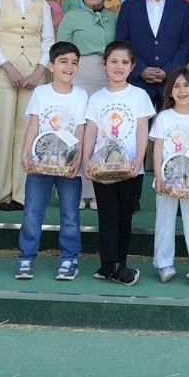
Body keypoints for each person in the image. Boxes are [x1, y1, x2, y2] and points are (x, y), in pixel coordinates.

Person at [115, 0, 189, 209]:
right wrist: (140, 69)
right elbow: (122, 42)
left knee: (176, 136)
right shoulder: (130, 7)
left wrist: (169, 71)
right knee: (134, 139)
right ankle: (132, 196)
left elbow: (187, 43)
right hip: (140, 83)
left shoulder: (182, 7)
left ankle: (180, 190)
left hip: (173, 84)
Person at [0, 0, 55, 210]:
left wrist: (38, 72)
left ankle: (22, 195)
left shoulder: (42, 5)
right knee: (1, 129)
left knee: (28, 132)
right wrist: (8, 67)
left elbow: (48, 42)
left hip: (34, 70)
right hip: (2, 69)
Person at [82, 40, 155, 285]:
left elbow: (142, 130)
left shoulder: (139, 95)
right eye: (114, 61)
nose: (119, 66)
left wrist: (138, 160)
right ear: (104, 64)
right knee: (107, 216)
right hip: (103, 168)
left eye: (125, 62)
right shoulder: (96, 98)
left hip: (130, 168)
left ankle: (118, 263)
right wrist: (86, 160)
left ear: (133, 66)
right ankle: (108, 265)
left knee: (125, 216)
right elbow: (91, 131)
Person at [14, 42, 88, 282]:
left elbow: (80, 129)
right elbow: (34, 124)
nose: (69, 67)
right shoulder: (41, 92)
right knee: (33, 212)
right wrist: (25, 153)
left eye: (74, 62)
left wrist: (77, 159)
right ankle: (26, 257)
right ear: (51, 65)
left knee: (69, 214)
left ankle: (69, 259)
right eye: (63, 61)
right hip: (40, 164)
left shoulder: (81, 95)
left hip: (68, 167)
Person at [150, 67, 189, 286]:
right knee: (164, 220)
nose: (182, 90)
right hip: (167, 180)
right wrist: (158, 175)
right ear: (169, 92)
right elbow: (158, 148)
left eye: (186, 85)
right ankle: (163, 263)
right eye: (176, 86)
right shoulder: (163, 118)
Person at [57, 0, 117, 211]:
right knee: (78, 130)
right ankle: (78, 190)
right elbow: (61, 49)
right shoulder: (72, 17)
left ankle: (97, 189)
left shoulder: (114, 18)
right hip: (80, 76)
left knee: (102, 132)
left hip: (107, 77)